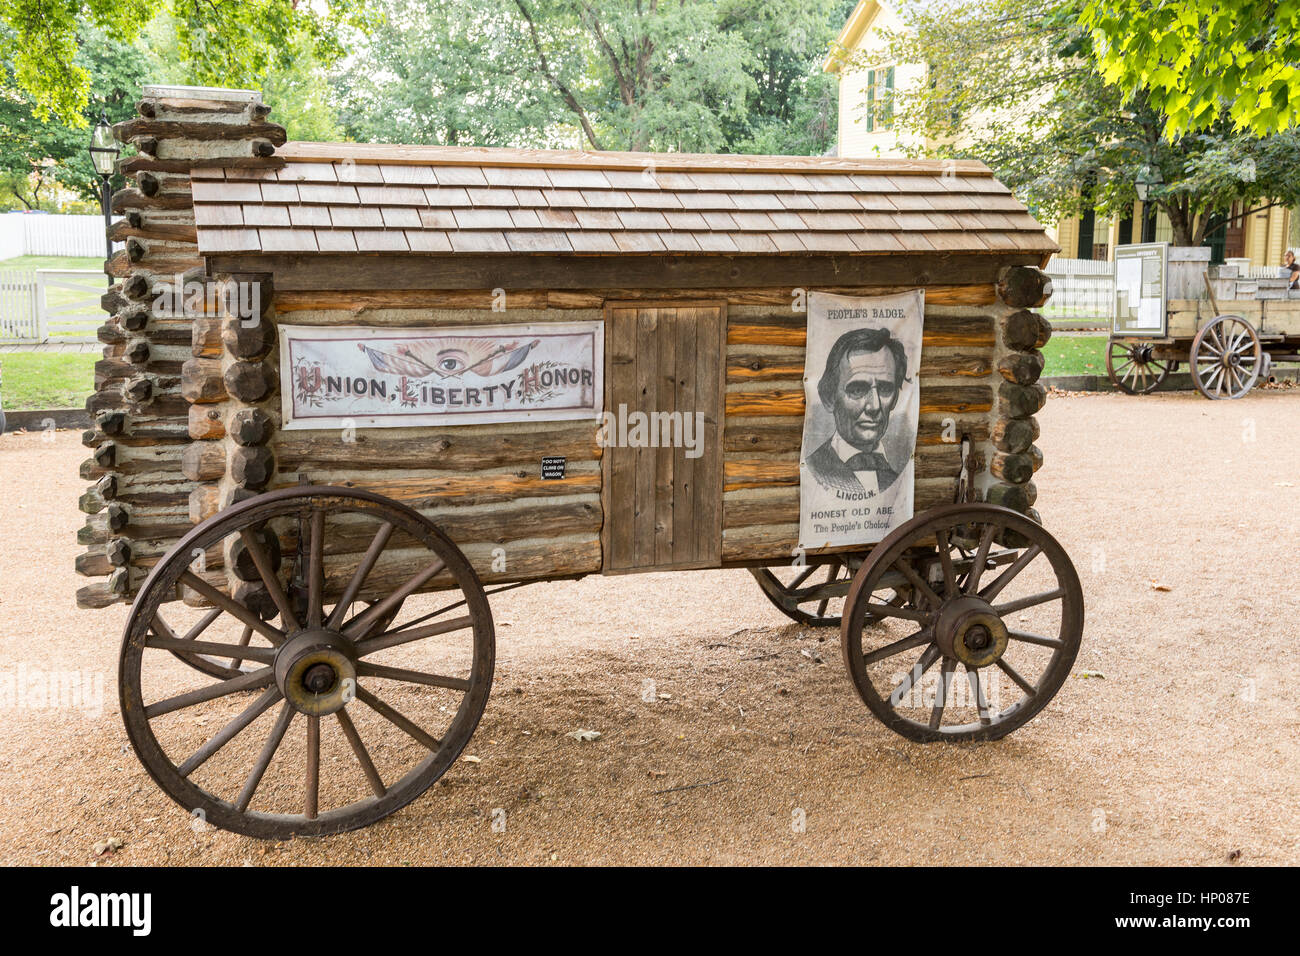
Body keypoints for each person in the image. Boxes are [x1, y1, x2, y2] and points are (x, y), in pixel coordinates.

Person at [806, 326, 910, 498]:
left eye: (885, 389)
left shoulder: (895, 477)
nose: (874, 406)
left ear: (896, 399)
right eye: (857, 390)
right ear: (829, 398)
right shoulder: (814, 468)